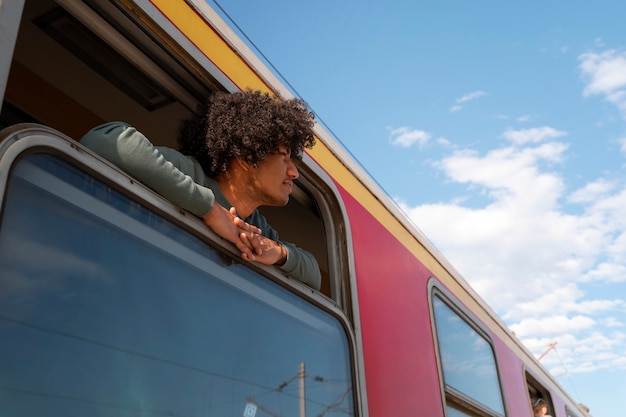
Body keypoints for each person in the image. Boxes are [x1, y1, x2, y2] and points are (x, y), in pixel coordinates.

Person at [80, 90, 321, 290]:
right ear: (248, 155)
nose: (294, 173)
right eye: (284, 157)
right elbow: (106, 140)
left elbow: (314, 276)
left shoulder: (256, 224)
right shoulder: (188, 172)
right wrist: (210, 210)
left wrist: (278, 252)